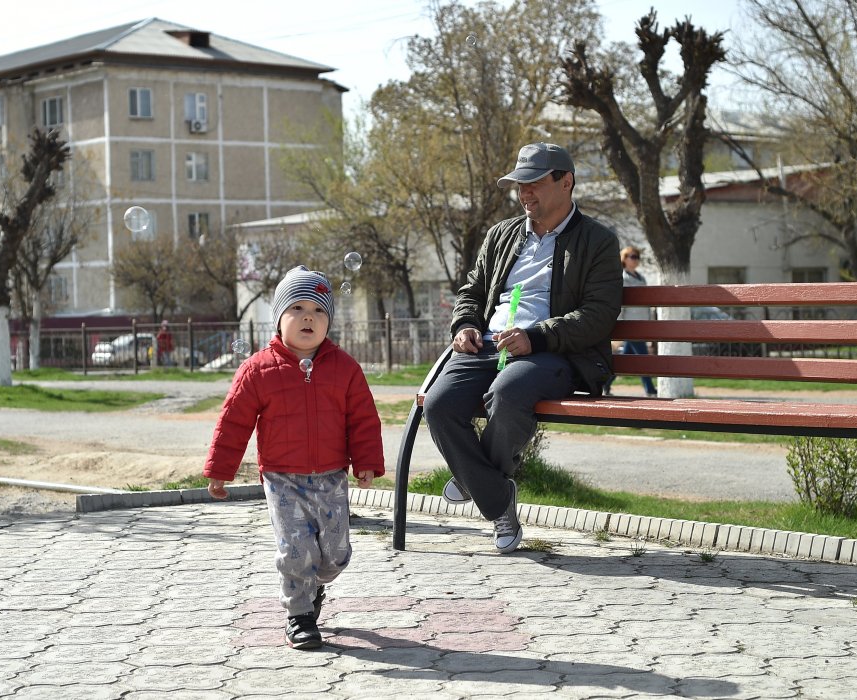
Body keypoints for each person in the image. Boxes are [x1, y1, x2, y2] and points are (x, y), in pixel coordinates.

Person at [423, 142, 623, 554]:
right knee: (437, 403)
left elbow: (598, 315)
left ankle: (478, 485)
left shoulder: (598, 241)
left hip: (553, 354)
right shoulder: (503, 234)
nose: (524, 193)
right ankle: (496, 492)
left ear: (565, 182)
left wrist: (538, 336)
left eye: (533, 183)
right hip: (487, 346)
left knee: (508, 392)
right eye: (519, 185)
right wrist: (464, 325)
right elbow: (472, 292)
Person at [203, 266, 384, 650]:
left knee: (335, 554)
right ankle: (299, 614)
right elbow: (233, 423)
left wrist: (365, 461)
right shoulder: (257, 370)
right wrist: (220, 471)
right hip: (282, 479)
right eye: (297, 308)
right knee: (296, 547)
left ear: (329, 321)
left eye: (318, 311)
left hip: (331, 477)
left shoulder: (345, 368)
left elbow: (364, 419)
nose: (308, 317)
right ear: (278, 317)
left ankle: (315, 586)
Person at [604, 246, 657, 397]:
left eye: (637, 257)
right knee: (642, 357)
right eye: (632, 256)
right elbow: (620, 303)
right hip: (630, 324)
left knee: (624, 360)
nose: (635, 260)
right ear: (624, 259)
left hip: (641, 323)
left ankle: (605, 385)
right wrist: (620, 325)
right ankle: (650, 389)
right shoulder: (623, 278)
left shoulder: (642, 278)